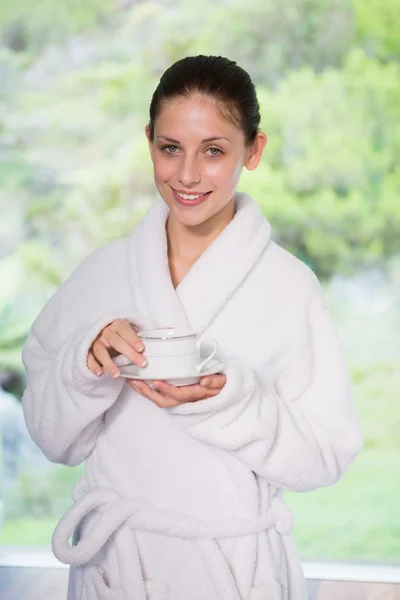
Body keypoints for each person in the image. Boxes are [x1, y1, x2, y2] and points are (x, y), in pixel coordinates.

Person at [21, 55, 363, 600]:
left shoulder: (289, 286)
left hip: (233, 570)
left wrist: (231, 401)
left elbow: (325, 455)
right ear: (149, 140)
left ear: (253, 151)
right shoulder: (102, 275)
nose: (186, 175)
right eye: (170, 147)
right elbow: (51, 438)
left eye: (214, 151)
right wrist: (83, 367)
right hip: (117, 568)